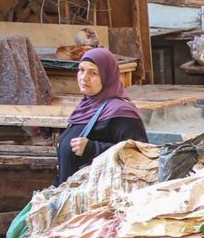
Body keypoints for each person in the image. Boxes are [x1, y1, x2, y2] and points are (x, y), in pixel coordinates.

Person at [56, 48, 147, 185]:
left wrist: (93, 149)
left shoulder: (121, 112)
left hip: (102, 202)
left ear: (107, 76)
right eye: (81, 70)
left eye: (93, 73)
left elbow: (139, 156)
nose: (84, 77)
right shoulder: (85, 108)